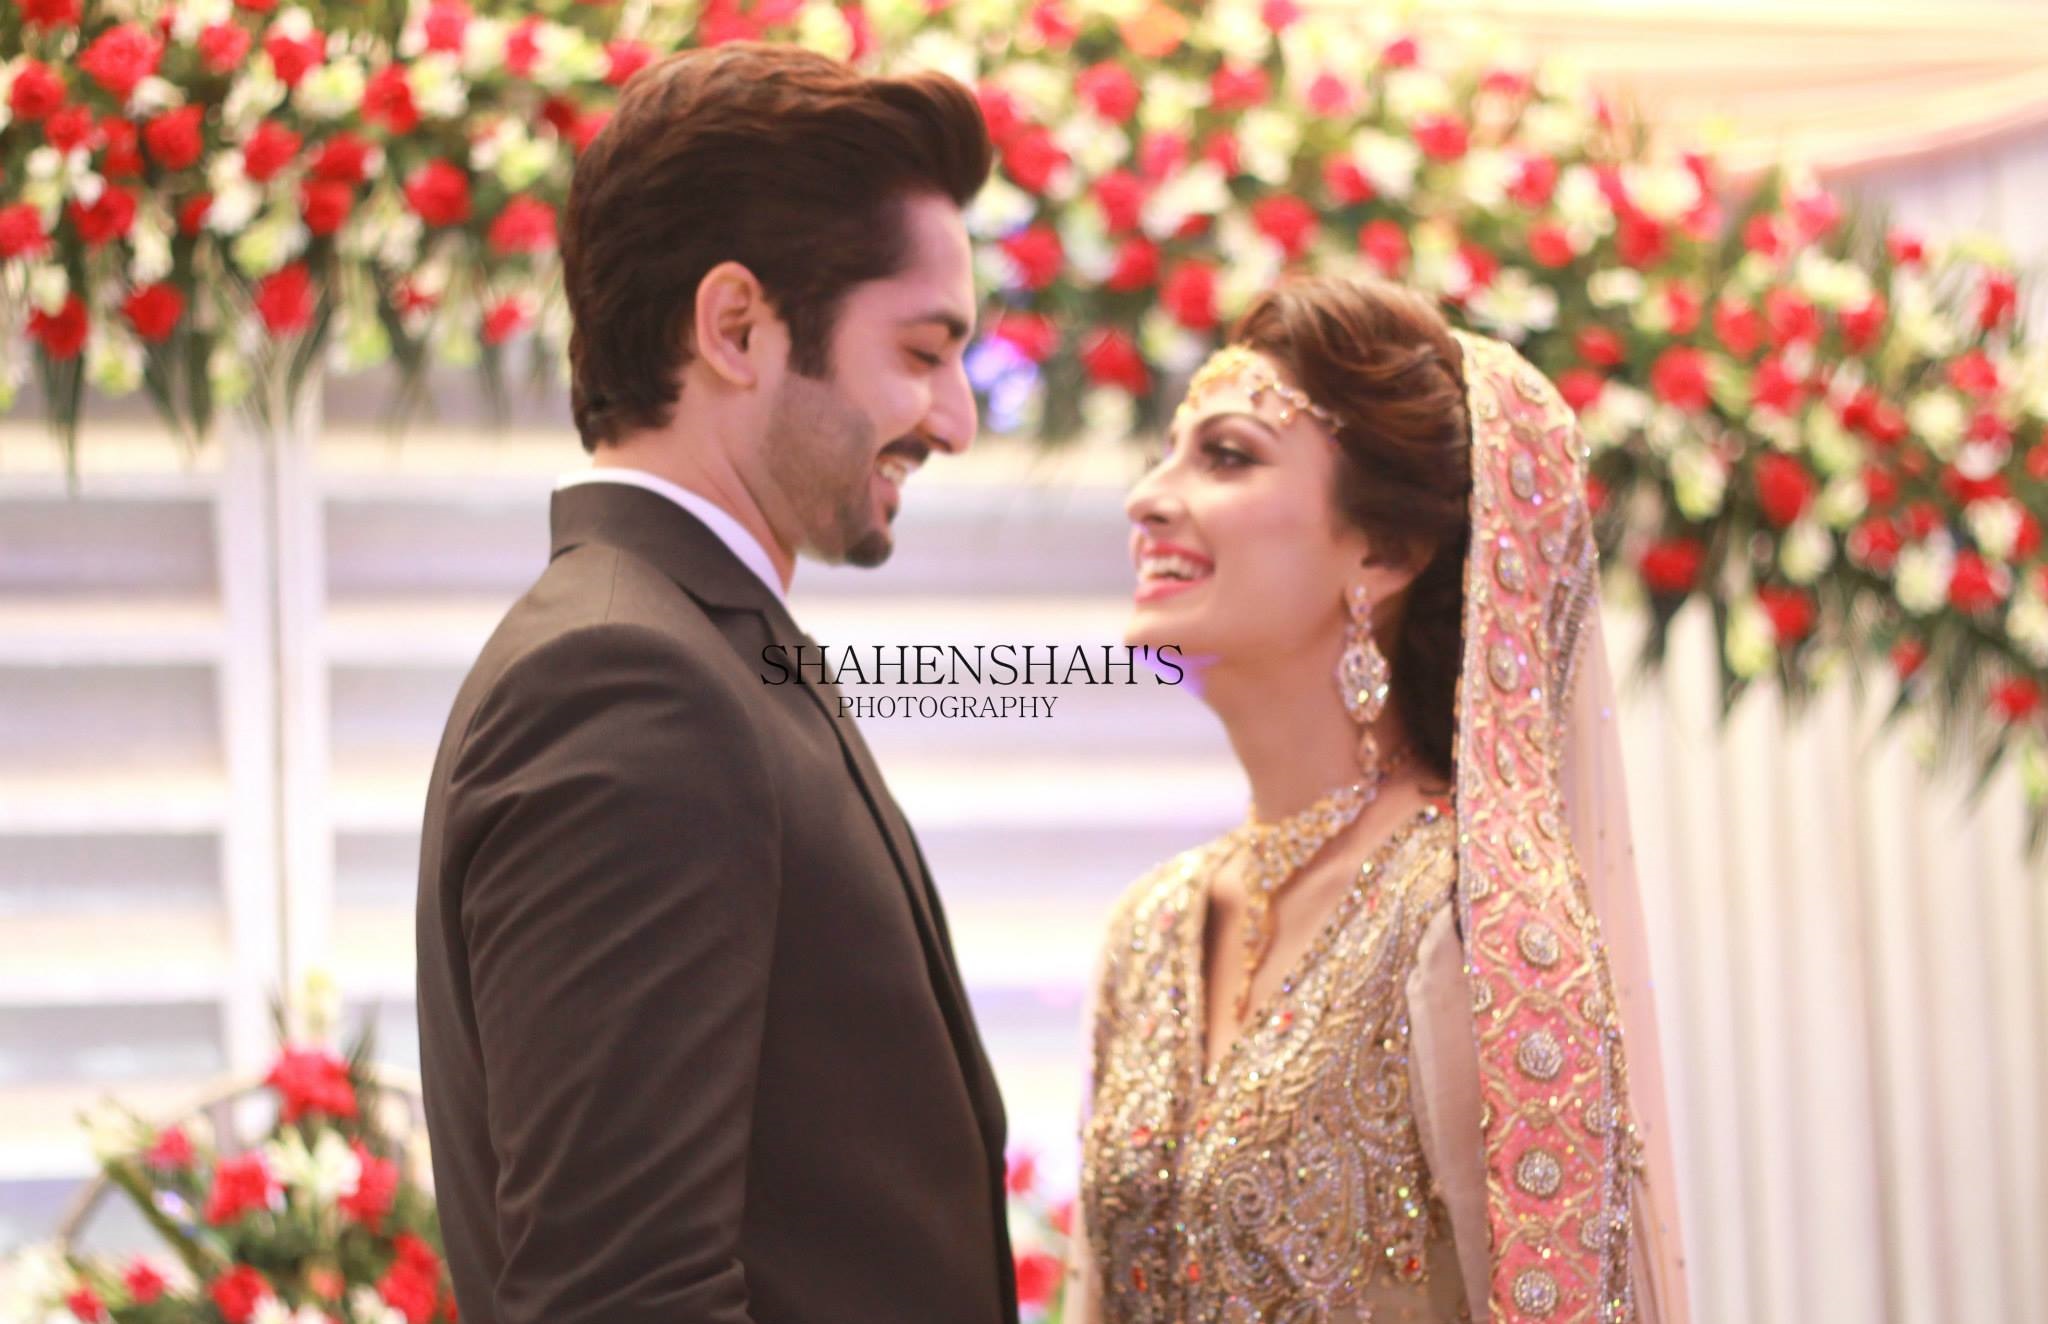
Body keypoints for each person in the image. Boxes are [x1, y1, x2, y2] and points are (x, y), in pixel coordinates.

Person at [414, 43, 1017, 1324]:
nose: (955, 419)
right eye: (922, 351)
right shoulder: (628, 679)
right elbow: (620, 1297)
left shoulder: (692, 642)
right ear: (735, 327)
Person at [1068, 276, 1689, 1323]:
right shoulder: (1150, 927)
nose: (1148, 498)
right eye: (1165, 454)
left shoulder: (1469, 920)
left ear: (1385, 553)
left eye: (1226, 456)